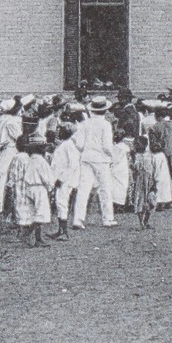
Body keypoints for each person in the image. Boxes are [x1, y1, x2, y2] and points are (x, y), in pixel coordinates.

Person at [72, 97, 119, 227]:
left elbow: (79, 145)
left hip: (86, 158)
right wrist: (112, 156)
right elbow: (107, 146)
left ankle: (78, 219)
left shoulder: (84, 124)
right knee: (105, 189)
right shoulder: (106, 125)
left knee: (83, 189)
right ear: (105, 110)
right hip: (102, 159)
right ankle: (107, 218)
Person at [14, 133, 55, 246]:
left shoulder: (29, 160)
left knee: (32, 212)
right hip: (39, 188)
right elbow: (47, 177)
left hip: (28, 187)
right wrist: (50, 187)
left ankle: (31, 235)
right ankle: (33, 235)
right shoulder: (41, 162)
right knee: (40, 213)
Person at [47, 120, 81, 240]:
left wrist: (61, 179)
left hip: (66, 180)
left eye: (61, 130)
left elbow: (72, 165)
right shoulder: (66, 145)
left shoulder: (68, 146)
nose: (58, 132)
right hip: (63, 179)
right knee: (60, 203)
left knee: (62, 203)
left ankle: (64, 231)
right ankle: (61, 230)